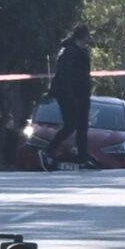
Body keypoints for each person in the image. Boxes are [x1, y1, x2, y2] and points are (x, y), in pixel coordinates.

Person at [41, 23, 95, 169]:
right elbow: (64, 76)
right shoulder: (69, 52)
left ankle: (82, 158)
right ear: (82, 36)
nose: (89, 39)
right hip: (69, 95)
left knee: (82, 126)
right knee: (71, 125)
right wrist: (70, 96)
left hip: (82, 95)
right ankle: (48, 151)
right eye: (87, 36)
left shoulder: (82, 52)